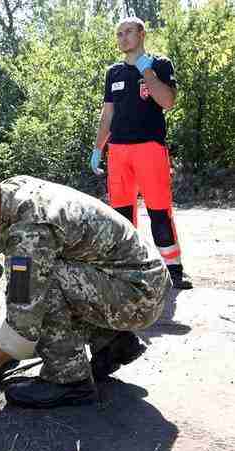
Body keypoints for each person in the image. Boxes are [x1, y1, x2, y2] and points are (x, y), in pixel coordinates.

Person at [0, 152, 171, 408]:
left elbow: (23, 323)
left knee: (42, 285)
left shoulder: (28, 234)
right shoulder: (11, 190)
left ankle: (68, 381)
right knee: (52, 276)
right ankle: (113, 342)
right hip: (136, 278)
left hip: (140, 294)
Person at [90, 17, 191, 289]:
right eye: (118, 34)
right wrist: (98, 148)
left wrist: (147, 72)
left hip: (150, 148)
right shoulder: (113, 72)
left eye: (128, 32)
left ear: (141, 34)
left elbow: (168, 102)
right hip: (118, 152)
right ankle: (129, 269)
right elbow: (107, 115)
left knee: (159, 211)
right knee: (121, 214)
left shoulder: (160, 64)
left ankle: (174, 269)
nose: (122, 38)